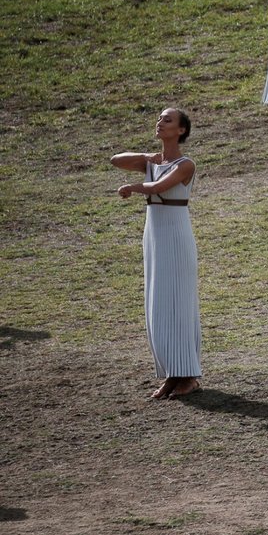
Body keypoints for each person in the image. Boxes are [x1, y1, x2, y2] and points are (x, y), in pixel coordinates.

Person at [111, 108, 202, 400]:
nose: (160, 123)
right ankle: (171, 375)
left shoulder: (185, 164)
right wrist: (149, 157)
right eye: (160, 119)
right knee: (158, 302)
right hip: (154, 235)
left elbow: (161, 186)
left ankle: (188, 375)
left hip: (176, 235)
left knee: (179, 302)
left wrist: (135, 187)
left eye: (168, 120)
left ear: (182, 131)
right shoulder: (153, 161)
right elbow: (116, 160)